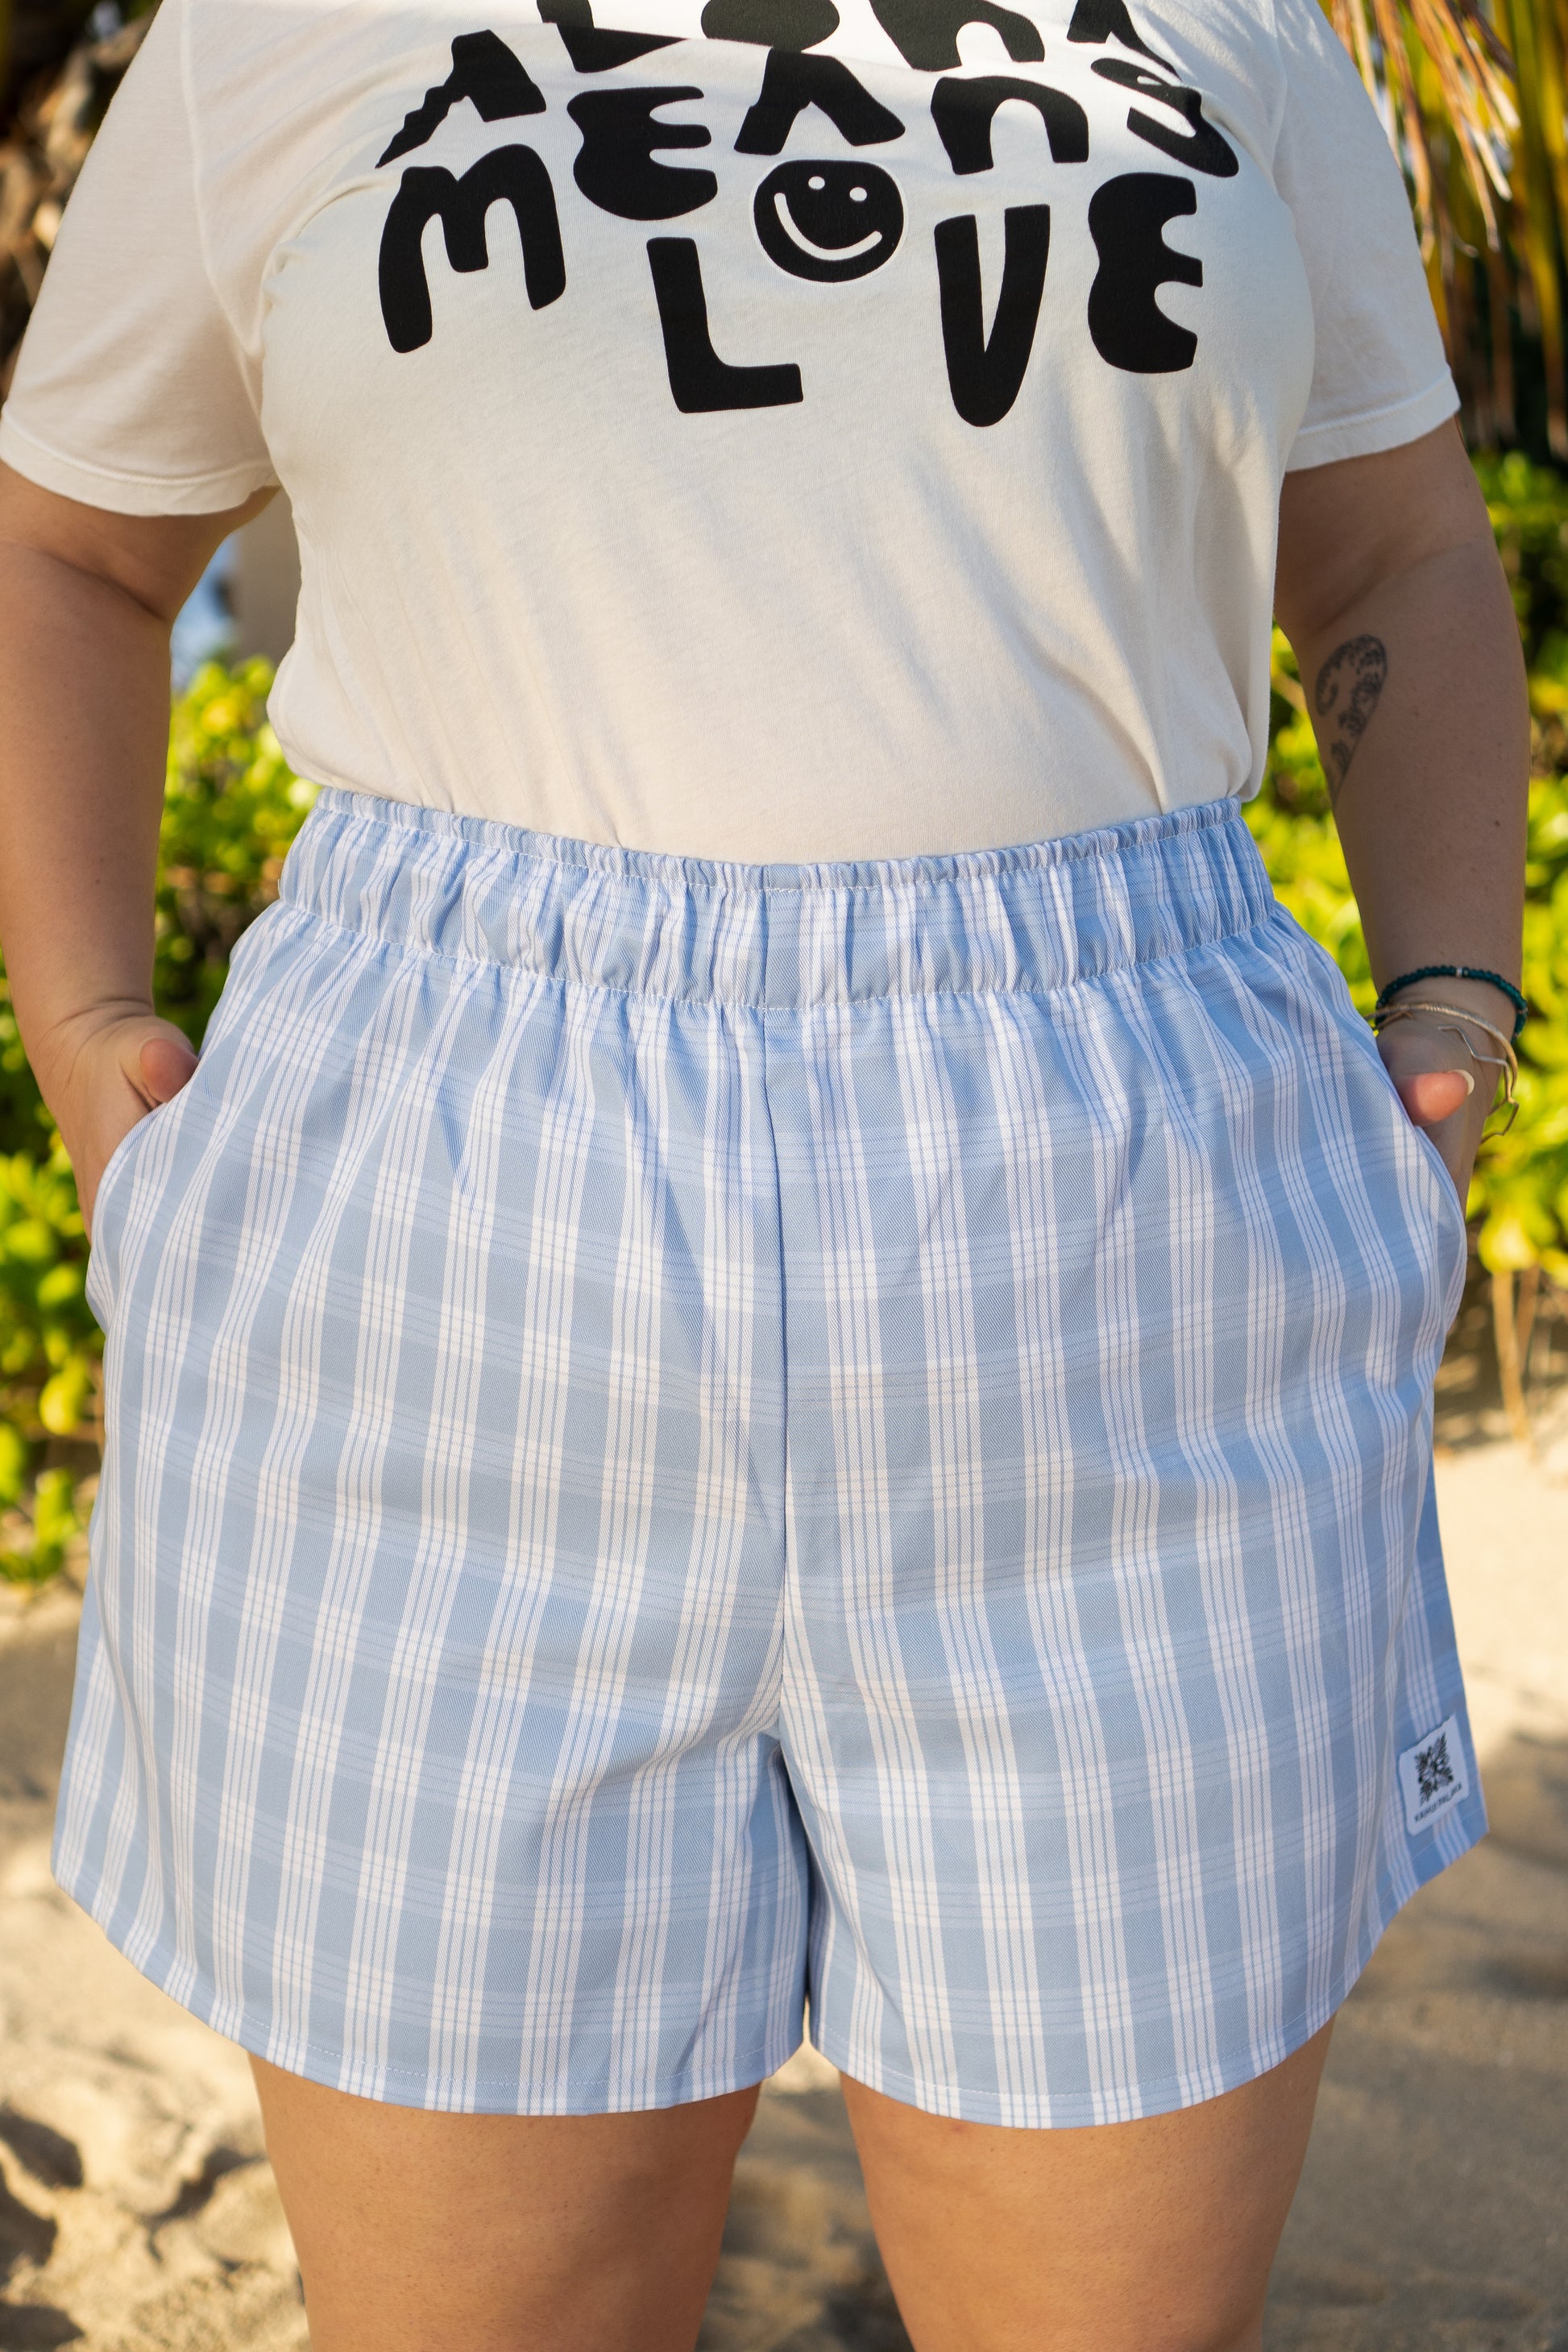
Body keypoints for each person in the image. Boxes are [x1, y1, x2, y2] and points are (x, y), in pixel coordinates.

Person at [0, 0, 1528, 2340]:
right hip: (458, 1245)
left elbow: (1394, 539)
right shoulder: (273, 29)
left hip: (1122, 1248)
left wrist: (1456, 1000)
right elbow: (76, 545)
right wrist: (85, 1021)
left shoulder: (1239, 20)